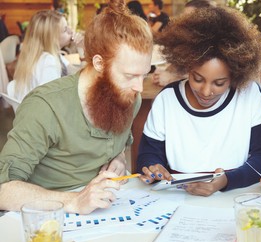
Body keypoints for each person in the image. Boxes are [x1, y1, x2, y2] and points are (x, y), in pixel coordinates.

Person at [0, 0, 154, 214]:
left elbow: (119, 142)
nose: (139, 87)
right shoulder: (46, 107)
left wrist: (117, 159)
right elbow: (3, 190)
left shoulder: (129, 96)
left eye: (144, 74)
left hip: (108, 209)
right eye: (130, 75)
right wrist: (74, 201)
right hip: (52, 217)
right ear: (99, 64)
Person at [137, 6, 261, 196]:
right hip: (179, 198)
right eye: (197, 78)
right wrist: (153, 168)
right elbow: (148, 155)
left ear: (236, 74)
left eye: (219, 83)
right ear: (186, 65)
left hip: (235, 196)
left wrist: (226, 180)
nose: (206, 91)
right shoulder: (167, 100)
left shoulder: (249, 94)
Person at [7, 10, 74, 103]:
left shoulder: (34, 55)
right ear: (51, 37)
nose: (71, 31)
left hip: (29, 110)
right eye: (65, 29)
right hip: (43, 113)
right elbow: (52, 100)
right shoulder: (48, 61)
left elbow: (72, 70)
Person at [151, 0, 216, 87]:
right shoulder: (187, 40)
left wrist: (172, 79)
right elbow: (178, 66)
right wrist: (163, 72)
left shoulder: (212, 45)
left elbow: (209, 79)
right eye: (184, 17)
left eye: (190, 17)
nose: (184, 21)